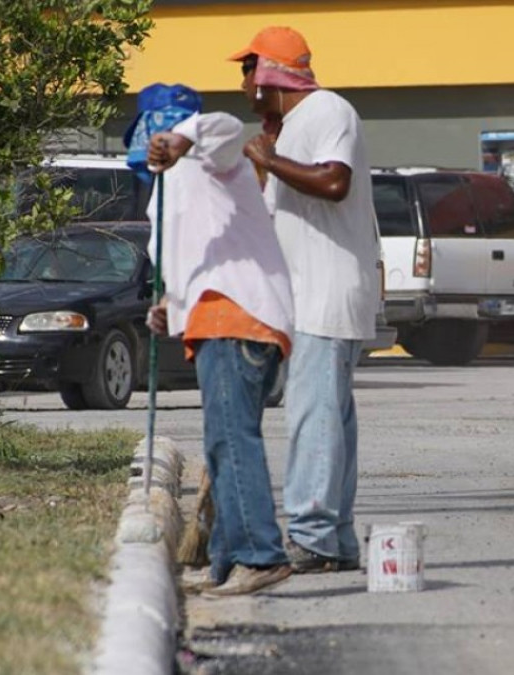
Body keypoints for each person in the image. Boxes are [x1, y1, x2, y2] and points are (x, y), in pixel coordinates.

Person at [230, 26, 381, 572]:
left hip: (328, 292)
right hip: (306, 298)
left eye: (247, 71)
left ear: (268, 73)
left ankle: (313, 534)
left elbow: (334, 182)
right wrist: (265, 153)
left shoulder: (328, 111)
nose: (242, 84)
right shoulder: (288, 127)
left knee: (313, 418)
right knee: (331, 418)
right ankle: (335, 539)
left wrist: (269, 159)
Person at [140, 93, 298, 596]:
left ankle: (261, 556)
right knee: (221, 444)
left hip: (239, 316)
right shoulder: (168, 190)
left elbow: (226, 126)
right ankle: (226, 560)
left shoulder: (209, 162)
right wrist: (170, 304)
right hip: (210, 320)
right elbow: (189, 261)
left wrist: (183, 137)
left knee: (232, 440)